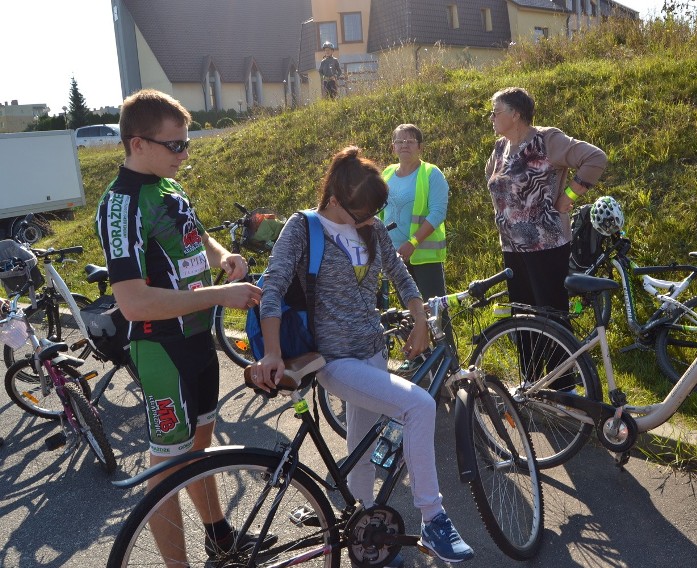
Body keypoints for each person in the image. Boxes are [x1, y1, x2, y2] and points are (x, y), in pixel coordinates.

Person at [250, 146, 475, 565]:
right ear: (335, 201)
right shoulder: (304, 227)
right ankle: (434, 516)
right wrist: (274, 353)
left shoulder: (370, 231)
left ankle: (362, 528)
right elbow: (273, 289)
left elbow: (400, 275)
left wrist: (421, 320)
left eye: (375, 212)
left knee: (361, 444)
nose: (372, 221)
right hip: (335, 360)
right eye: (364, 214)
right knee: (420, 406)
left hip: (373, 350)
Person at [94, 89, 270, 562]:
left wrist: (222, 256)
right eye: (176, 145)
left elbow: (193, 232)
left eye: (187, 143)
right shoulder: (121, 205)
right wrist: (220, 295)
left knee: (201, 446)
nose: (185, 154)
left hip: (196, 338)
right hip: (159, 345)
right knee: (167, 468)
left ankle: (220, 537)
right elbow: (132, 303)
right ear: (138, 144)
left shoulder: (167, 184)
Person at [485, 86, 607, 316]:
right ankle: (530, 355)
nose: (491, 117)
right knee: (523, 317)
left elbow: (595, 157)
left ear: (515, 114)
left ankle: (565, 354)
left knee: (551, 317)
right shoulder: (501, 147)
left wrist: (567, 197)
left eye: (496, 112)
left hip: (546, 246)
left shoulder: (547, 140)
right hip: (512, 248)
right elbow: (492, 179)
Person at [381, 124, 454, 362]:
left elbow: (437, 213)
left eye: (410, 141)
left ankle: (447, 363)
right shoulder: (387, 174)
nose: (404, 145)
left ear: (420, 147)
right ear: (393, 147)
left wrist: (413, 242)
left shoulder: (431, 174)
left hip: (424, 257)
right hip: (395, 257)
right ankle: (420, 361)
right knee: (410, 312)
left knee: (434, 314)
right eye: (399, 141)